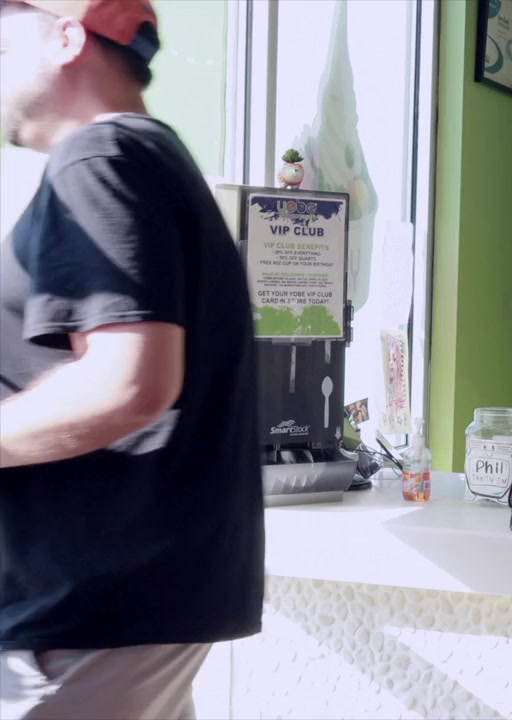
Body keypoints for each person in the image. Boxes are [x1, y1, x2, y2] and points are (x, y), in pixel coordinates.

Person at [0, 1, 264, 718]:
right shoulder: (146, 157)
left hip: (89, 610)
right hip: (119, 609)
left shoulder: (98, 157)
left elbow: (127, 384)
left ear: (66, 39)